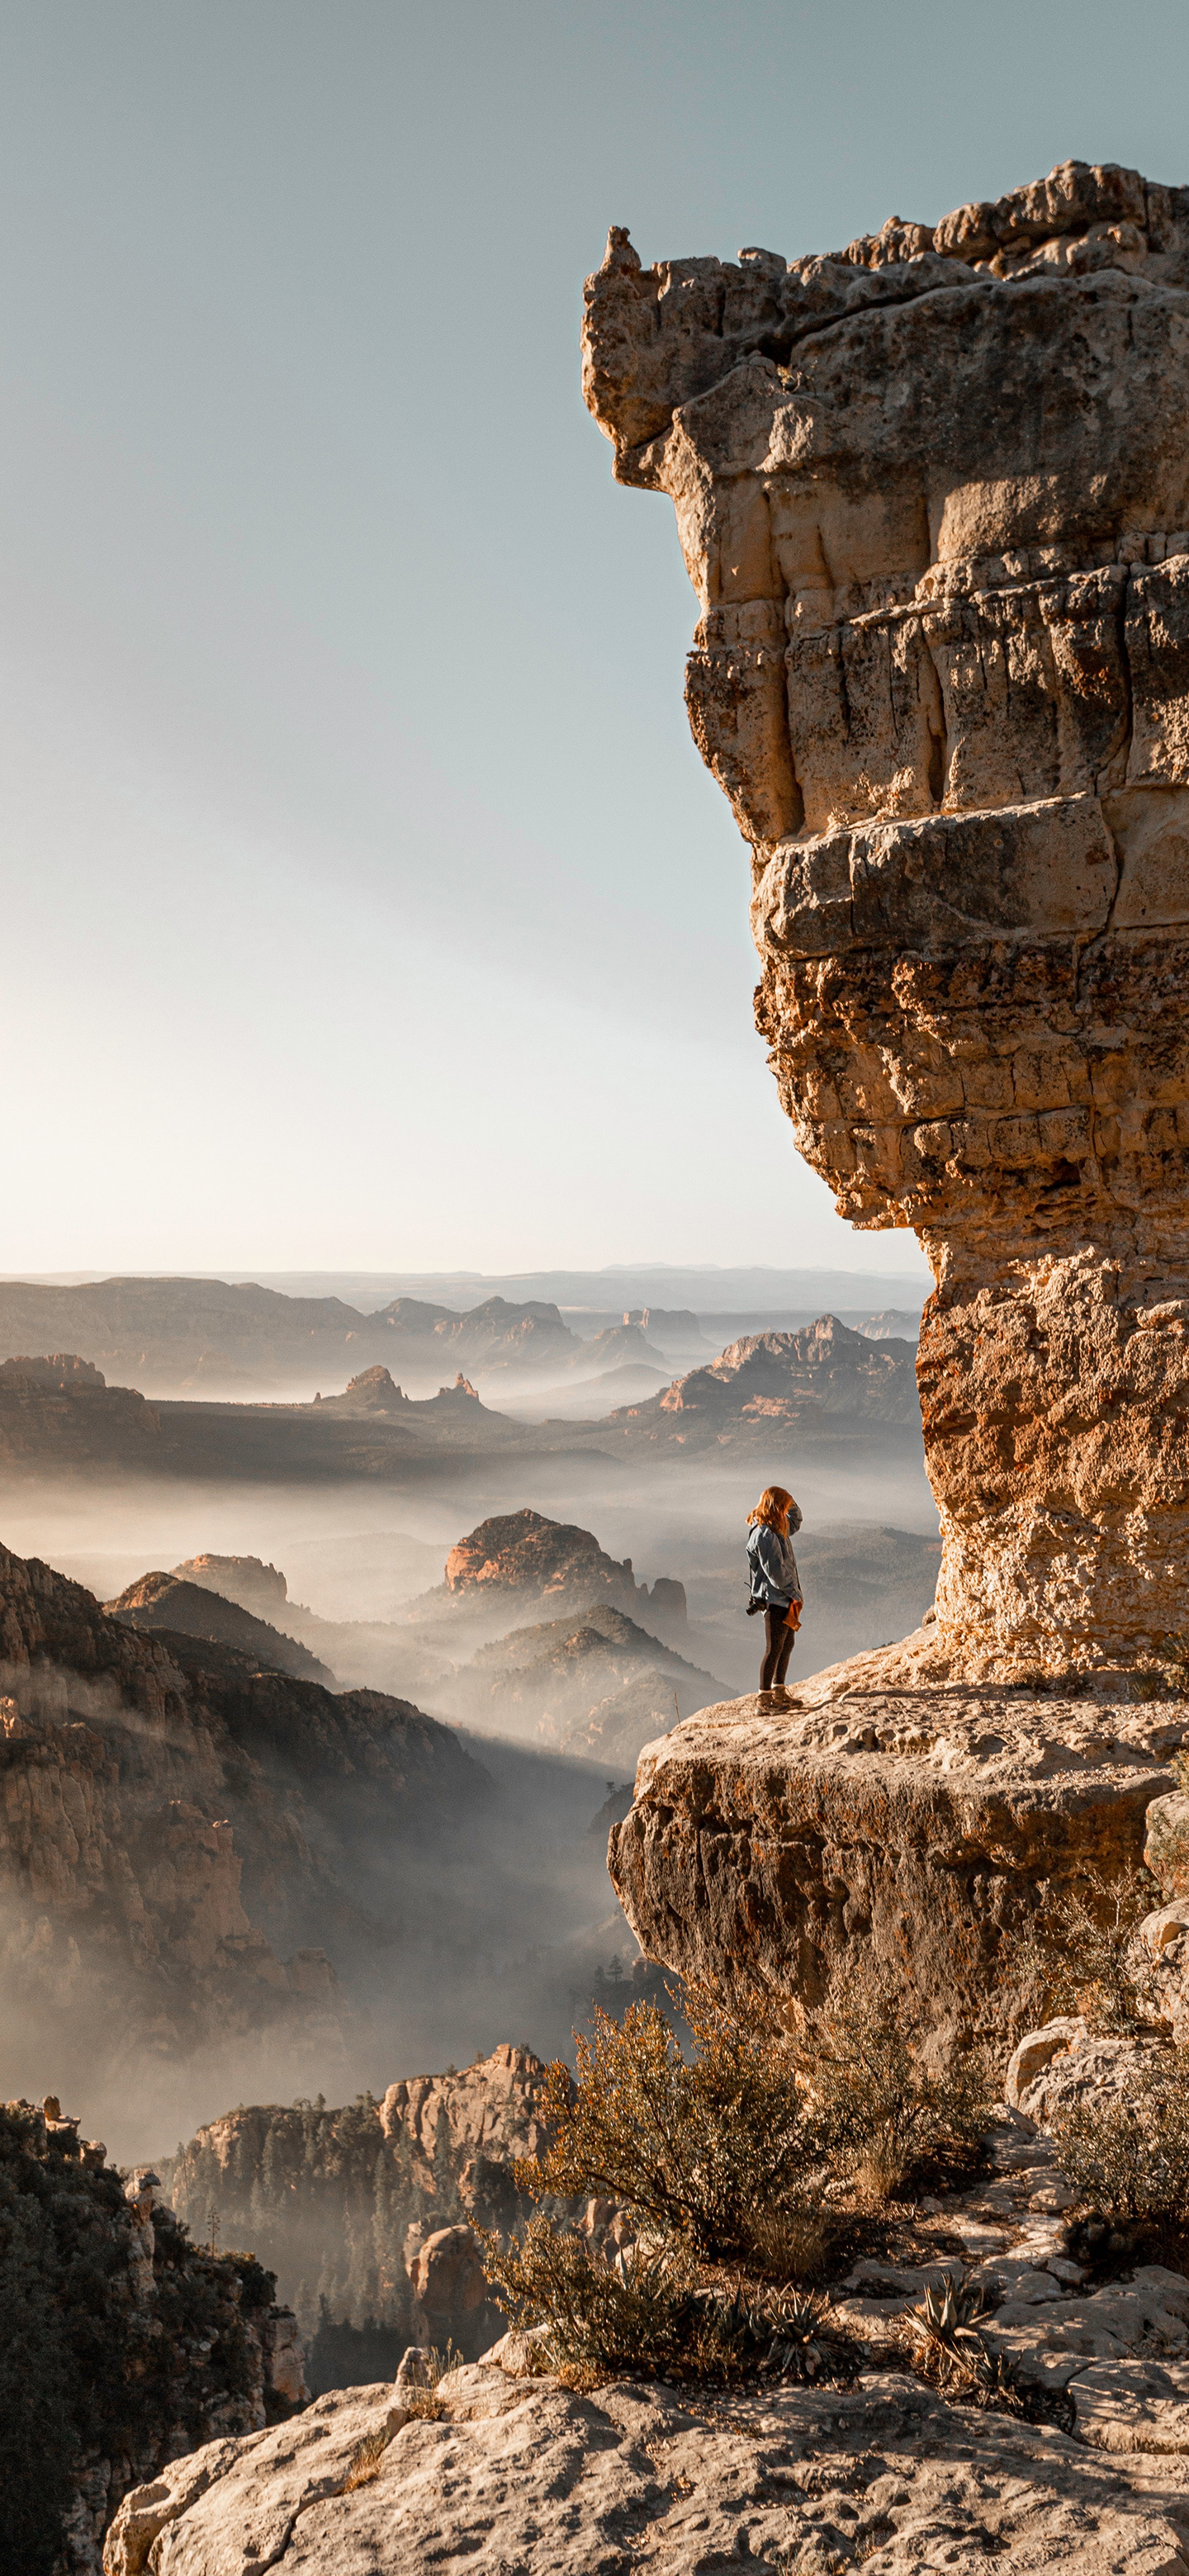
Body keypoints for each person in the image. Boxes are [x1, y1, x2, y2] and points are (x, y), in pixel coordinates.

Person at [746, 1485, 803, 1706]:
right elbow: (775, 1573)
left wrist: (790, 1498)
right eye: (784, 1505)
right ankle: (764, 1698)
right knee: (773, 1649)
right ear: (776, 1507)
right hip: (775, 1599)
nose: (786, 1510)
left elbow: (796, 1520)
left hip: (785, 1598)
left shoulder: (778, 1527)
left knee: (786, 1645)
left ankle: (779, 1692)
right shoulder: (765, 1534)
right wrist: (793, 1594)